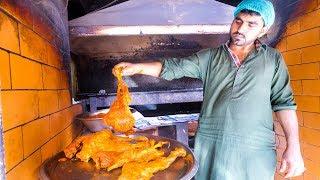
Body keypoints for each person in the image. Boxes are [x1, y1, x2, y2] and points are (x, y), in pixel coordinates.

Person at [113, 0, 305, 179]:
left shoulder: (273, 59)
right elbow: (174, 67)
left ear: (264, 30)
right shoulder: (210, 57)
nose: (240, 28)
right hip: (212, 146)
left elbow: (284, 103)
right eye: (238, 21)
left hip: (255, 150)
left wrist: (293, 147)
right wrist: (137, 68)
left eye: (251, 24)